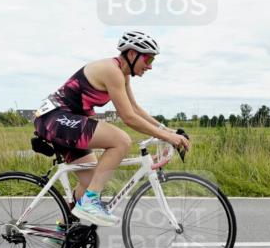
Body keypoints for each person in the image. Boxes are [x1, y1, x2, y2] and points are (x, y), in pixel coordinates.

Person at [33, 30, 191, 227]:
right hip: (54, 118)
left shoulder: (123, 75)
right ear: (132, 54)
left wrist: (167, 131)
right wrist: (167, 136)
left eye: (153, 61)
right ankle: (90, 203)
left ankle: (63, 229)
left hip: (67, 121)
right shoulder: (112, 71)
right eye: (148, 59)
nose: (150, 66)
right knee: (121, 140)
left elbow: (135, 108)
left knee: (91, 180)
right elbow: (128, 118)